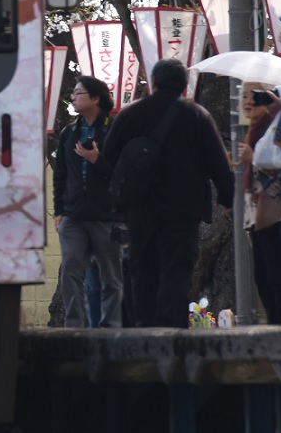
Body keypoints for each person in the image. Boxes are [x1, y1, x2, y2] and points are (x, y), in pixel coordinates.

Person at [97, 58, 235, 328]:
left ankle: (144, 325)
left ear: (154, 82)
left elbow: (108, 155)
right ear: (185, 86)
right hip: (184, 206)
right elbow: (217, 162)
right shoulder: (197, 115)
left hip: (140, 205)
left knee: (142, 265)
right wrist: (226, 197)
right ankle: (171, 327)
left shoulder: (131, 113)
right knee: (177, 267)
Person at [52, 74, 122, 326]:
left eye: (78, 93)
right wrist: (59, 210)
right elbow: (60, 175)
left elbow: (123, 174)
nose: (73, 97)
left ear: (95, 98)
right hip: (73, 215)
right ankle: (74, 327)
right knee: (71, 271)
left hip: (106, 215)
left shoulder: (115, 129)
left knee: (111, 278)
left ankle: (109, 328)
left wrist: (97, 161)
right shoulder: (69, 133)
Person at [241, 89, 281, 325]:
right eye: (244, 96)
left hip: (279, 208)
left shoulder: (280, 122)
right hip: (261, 209)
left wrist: (252, 157)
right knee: (264, 275)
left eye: (254, 96)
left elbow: (280, 161)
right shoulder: (256, 128)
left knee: (278, 274)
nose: (249, 102)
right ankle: (276, 324)